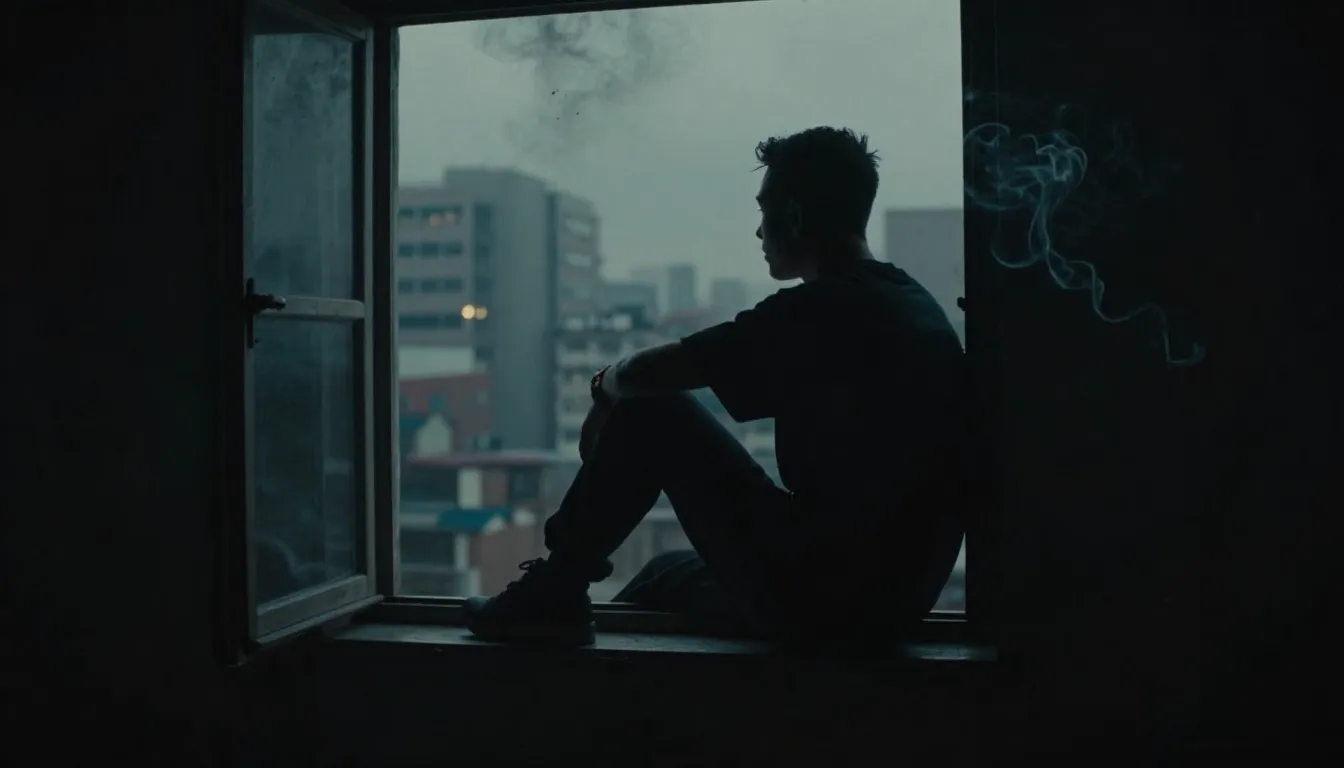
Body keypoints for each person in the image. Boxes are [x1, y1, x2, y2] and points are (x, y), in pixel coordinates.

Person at [464, 127, 968, 651]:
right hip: (888, 599)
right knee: (662, 575)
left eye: (765, 210)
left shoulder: (827, 310)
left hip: (830, 594)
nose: (759, 231)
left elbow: (661, 372)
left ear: (794, 215)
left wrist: (606, 388)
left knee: (652, 415)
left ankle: (554, 595)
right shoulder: (906, 301)